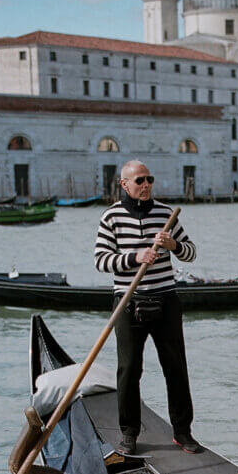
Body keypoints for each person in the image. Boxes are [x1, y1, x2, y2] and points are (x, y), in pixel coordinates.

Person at [94, 160, 201, 455]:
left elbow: (191, 252)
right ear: (124, 184)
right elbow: (101, 260)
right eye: (139, 180)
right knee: (129, 370)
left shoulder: (166, 214)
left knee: (176, 368)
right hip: (129, 302)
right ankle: (129, 433)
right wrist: (135, 256)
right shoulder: (111, 217)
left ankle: (183, 432)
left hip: (166, 299)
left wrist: (173, 246)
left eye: (149, 180)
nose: (146, 185)